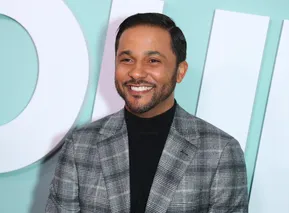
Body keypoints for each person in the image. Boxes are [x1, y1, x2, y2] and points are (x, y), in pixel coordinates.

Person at [45, 12, 248, 213]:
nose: (136, 72)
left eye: (153, 61)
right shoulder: (80, 145)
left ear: (180, 71)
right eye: (127, 59)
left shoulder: (220, 151)